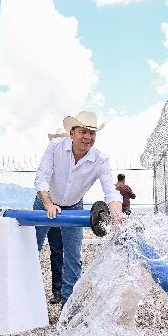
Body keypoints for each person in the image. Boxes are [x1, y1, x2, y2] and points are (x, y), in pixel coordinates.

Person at [34, 110, 124, 306]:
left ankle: (68, 308)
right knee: (31, 248)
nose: (88, 137)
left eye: (92, 133)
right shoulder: (55, 147)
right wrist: (49, 204)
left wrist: (117, 213)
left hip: (74, 206)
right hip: (44, 203)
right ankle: (28, 297)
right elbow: (42, 178)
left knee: (73, 257)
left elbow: (110, 190)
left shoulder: (101, 159)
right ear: (72, 133)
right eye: (83, 131)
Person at [37, 125, 69, 304]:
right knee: (36, 246)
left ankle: (59, 291)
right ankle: (55, 290)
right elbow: (43, 181)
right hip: (48, 205)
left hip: (61, 207)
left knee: (59, 250)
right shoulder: (50, 158)